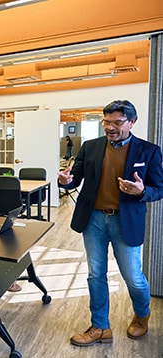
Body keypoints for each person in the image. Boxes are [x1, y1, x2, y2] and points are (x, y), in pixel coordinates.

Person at [57, 100, 163, 347]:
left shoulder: (149, 151)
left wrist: (140, 191)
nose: (110, 127)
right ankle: (100, 327)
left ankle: (142, 314)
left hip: (125, 222)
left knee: (133, 277)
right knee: (96, 275)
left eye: (117, 122)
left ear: (132, 122)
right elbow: (75, 179)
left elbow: (159, 189)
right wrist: (65, 180)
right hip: (93, 219)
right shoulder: (91, 147)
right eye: (106, 122)